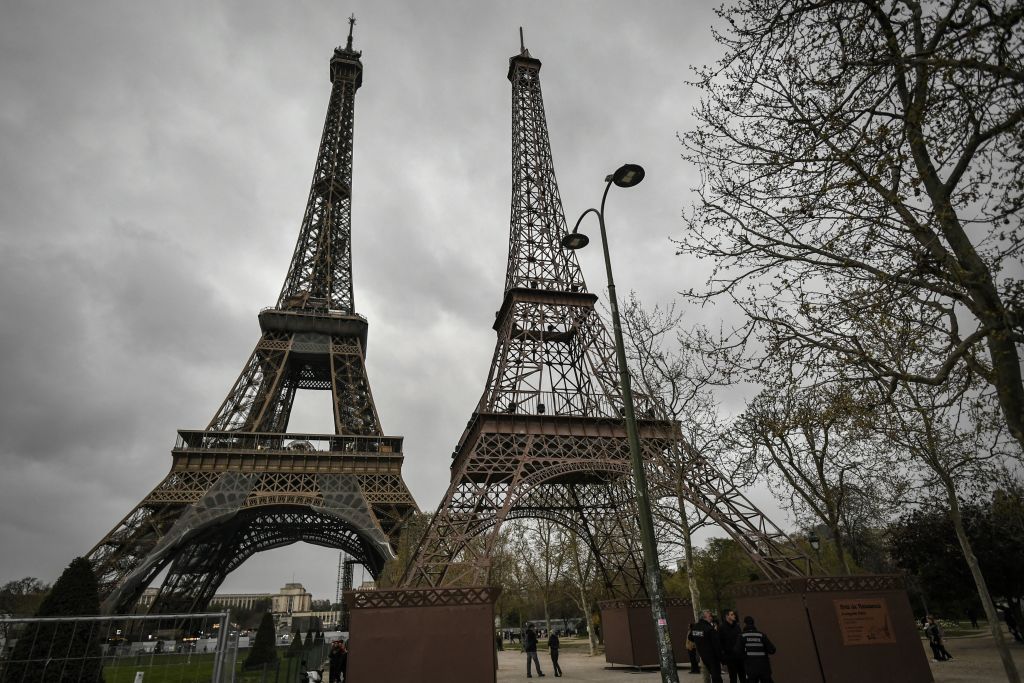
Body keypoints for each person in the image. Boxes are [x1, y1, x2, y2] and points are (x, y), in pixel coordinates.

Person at [734, 616, 776, 683]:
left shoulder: (742, 636)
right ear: (753, 624)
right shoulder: (761, 635)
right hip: (764, 667)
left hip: (751, 668)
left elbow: (737, 651)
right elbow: (772, 650)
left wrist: (745, 657)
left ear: (745, 624)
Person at [689, 609, 724, 683]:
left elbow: (690, 637)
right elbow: (716, 645)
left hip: (703, 655)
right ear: (704, 617)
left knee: (713, 673)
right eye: (710, 616)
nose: (711, 617)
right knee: (716, 675)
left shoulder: (695, 627)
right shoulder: (709, 629)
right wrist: (721, 657)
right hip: (713, 656)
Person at [719, 609, 747, 683]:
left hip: (740, 656)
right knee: (733, 677)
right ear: (727, 616)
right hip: (730, 657)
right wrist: (724, 656)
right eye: (731, 614)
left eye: (734, 614)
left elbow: (741, 639)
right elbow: (720, 643)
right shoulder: (722, 628)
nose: (734, 616)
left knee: (743, 676)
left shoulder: (737, 626)